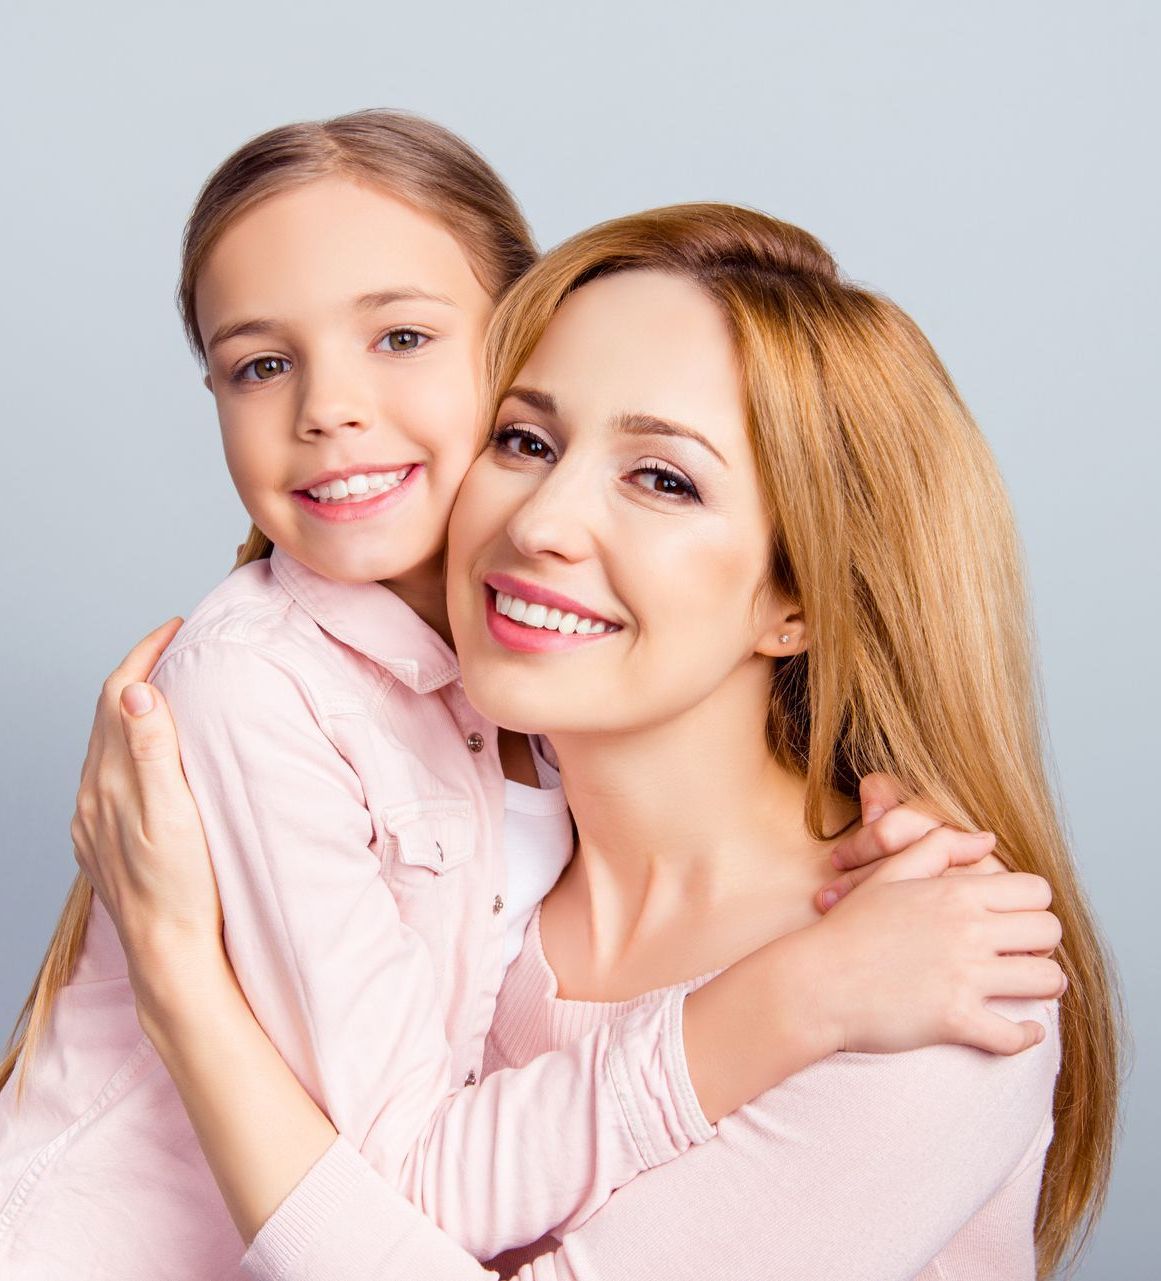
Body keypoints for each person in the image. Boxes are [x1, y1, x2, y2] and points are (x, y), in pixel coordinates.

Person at [0, 116, 1060, 1280]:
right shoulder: (482, 860)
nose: (542, 523)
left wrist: (184, 988)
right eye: (525, 439)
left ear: (798, 596)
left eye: (663, 478)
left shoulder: (930, 974)